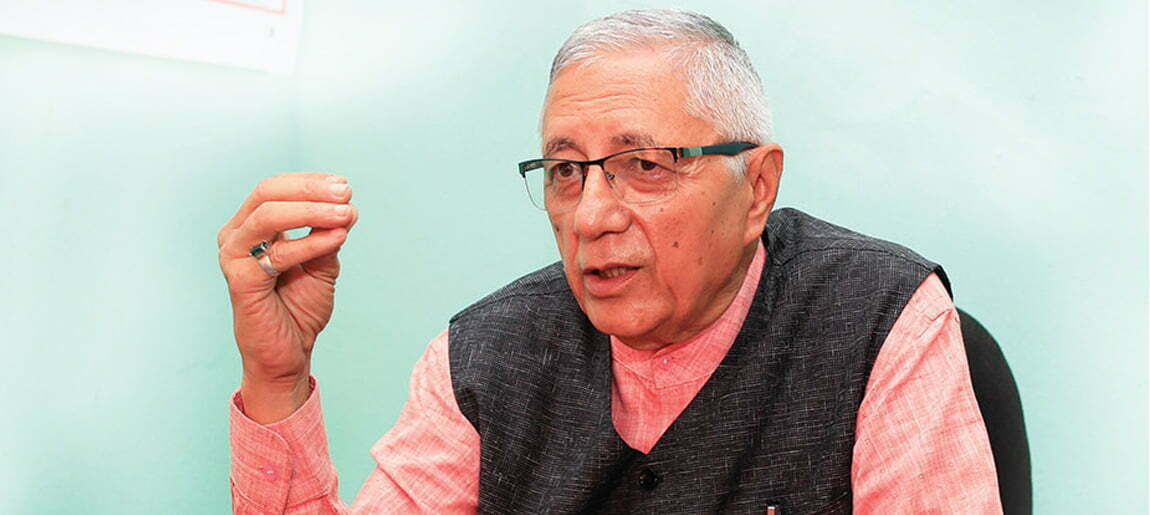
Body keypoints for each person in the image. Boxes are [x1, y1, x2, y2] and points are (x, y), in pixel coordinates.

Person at [218, 8, 1002, 514]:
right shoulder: (486, 355)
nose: (593, 214)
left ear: (757, 187)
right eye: (566, 170)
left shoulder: (877, 316)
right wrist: (277, 379)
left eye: (646, 165)